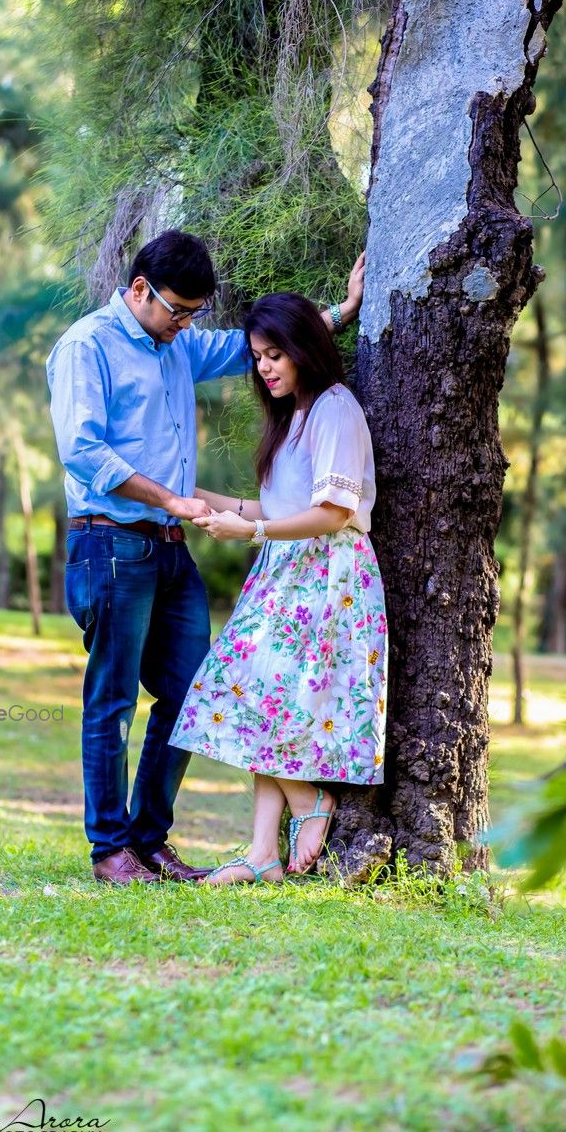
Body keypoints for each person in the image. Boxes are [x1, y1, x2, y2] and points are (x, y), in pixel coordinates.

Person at [46, 230, 364, 884]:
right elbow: (84, 452)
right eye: (177, 311)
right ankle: (110, 850)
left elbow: (244, 350)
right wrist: (170, 497)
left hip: (168, 547)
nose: (186, 326)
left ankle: (149, 838)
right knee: (111, 699)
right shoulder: (88, 347)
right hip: (110, 542)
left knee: (194, 691)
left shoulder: (176, 344)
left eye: (194, 314)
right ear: (139, 290)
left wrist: (341, 310)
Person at [170, 291, 387, 884]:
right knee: (256, 693)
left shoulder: (336, 408)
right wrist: (194, 500)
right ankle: (264, 851)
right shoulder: (294, 414)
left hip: (326, 574)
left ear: (302, 352)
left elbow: (334, 511)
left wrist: (254, 529)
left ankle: (309, 802)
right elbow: (269, 505)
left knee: (249, 690)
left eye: (275, 355)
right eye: (257, 356)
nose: (264, 367)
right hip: (284, 570)